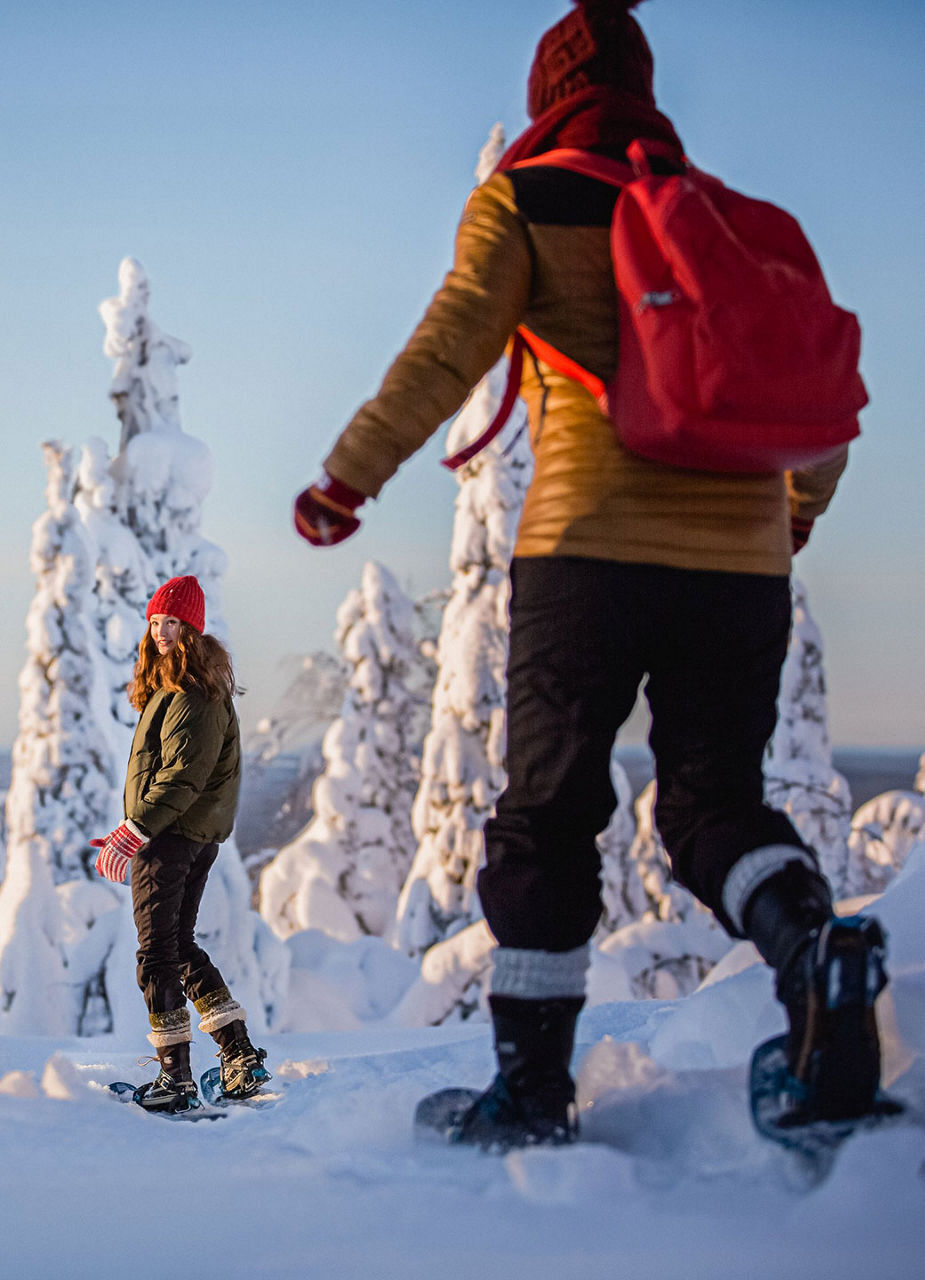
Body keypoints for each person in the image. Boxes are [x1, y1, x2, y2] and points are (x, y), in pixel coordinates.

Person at [294, 0, 887, 1147]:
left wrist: (347, 476)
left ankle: (529, 1090)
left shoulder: (527, 199)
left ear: (544, 94)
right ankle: (814, 950)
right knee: (718, 801)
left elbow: (449, 341)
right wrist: (790, 518)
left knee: (546, 817)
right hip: (739, 571)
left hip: (587, 555)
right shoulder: (719, 217)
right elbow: (819, 410)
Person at [92, 575, 270, 1112]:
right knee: (179, 946)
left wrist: (136, 829)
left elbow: (182, 777)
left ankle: (176, 1078)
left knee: (157, 954)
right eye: (155, 621)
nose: (162, 631)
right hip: (183, 834)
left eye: (173, 622)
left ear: (193, 629)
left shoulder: (192, 691)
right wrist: (139, 826)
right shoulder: (181, 685)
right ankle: (238, 1054)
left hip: (171, 836)